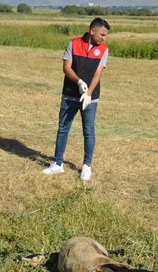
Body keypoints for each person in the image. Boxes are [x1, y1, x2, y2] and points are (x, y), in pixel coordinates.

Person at [42, 17, 110, 182]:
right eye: (102, 34)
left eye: (105, 35)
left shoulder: (104, 49)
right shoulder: (73, 44)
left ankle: (87, 166)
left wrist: (88, 93)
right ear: (92, 31)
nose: (104, 38)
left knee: (88, 131)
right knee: (63, 129)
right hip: (69, 95)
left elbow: (98, 73)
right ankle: (58, 163)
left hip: (90, 99)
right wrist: (79, 82)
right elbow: (66, 67)